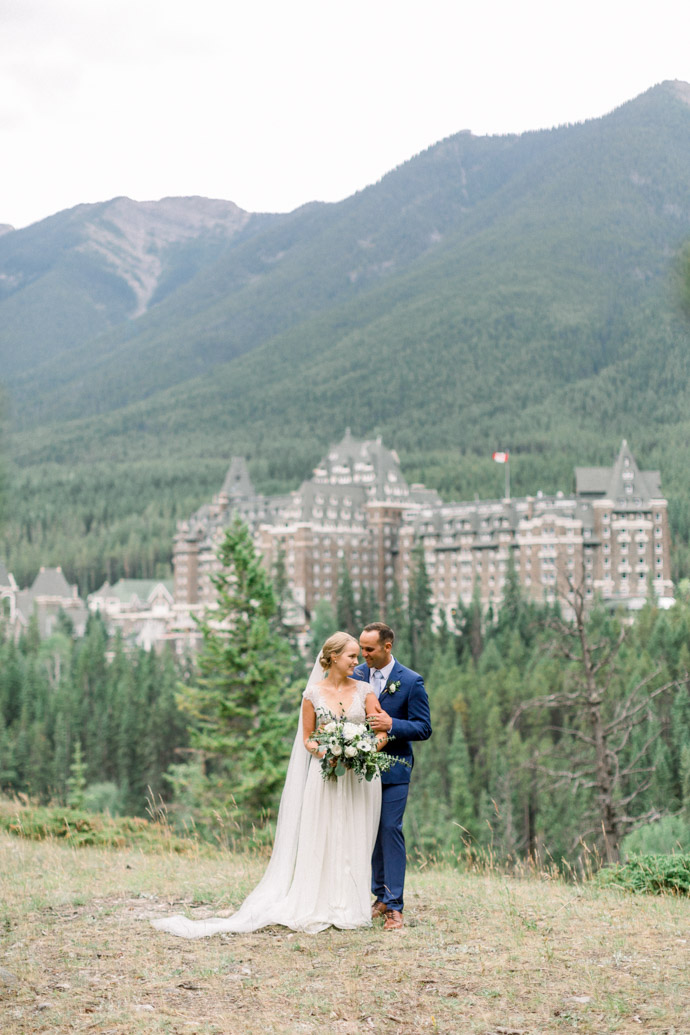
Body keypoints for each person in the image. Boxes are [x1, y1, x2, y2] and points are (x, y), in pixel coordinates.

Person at [152, 632, 387, 937]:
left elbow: (381, 731)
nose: (358, 662)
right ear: (332, 658)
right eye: (352, 656)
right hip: (325, 776)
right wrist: (329, 751)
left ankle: (351, 907)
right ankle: (319, 903)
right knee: (322, 834)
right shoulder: (312, 694)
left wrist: (363, 750)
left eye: (358, 656)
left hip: (357, 777)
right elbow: (307, 740)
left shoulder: (365, 691)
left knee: (354, 833)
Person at [354, 622, 432, 930]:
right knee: (370, 832)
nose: (364, 654)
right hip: (360, 768)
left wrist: (391, 724)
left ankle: (395, 904)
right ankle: (380, 896)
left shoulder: (411, 681)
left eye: (369, 649)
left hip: (395, 768)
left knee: (390, 828)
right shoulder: (356, 675)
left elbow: (424, 728)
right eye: (361, 648)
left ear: (388, 647)